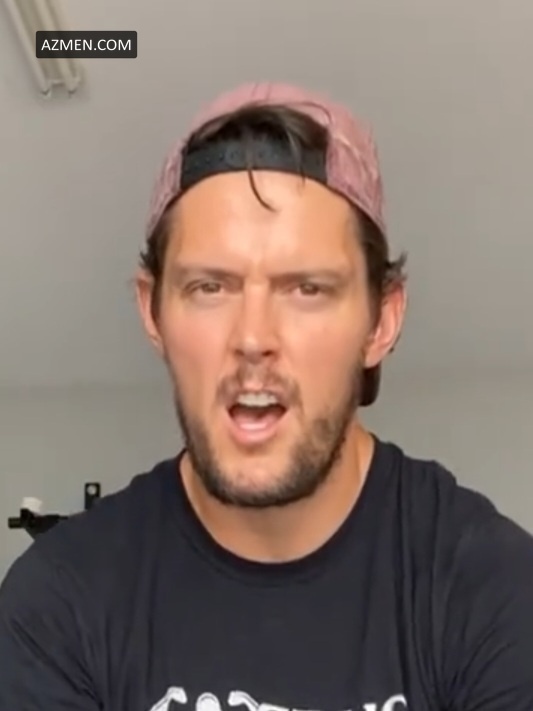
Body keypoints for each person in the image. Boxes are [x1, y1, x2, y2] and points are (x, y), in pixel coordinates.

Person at [0, 81, 532, 711]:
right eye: (210, 287)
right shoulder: (58, 604)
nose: (253, 339)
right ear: (152, 311)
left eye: (307, 289)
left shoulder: (494, 589)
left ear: (381, 322)